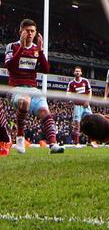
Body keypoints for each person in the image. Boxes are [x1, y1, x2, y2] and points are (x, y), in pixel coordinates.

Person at [3, 18, 64, 154]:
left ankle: (53, 144)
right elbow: (10, 66)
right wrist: (22, 48)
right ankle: (19, 138)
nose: (30, 34)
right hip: (15, 87)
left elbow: (46, 70)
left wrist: (41, 51)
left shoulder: (36, 49)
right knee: (25, 101)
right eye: (27, 31)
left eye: (32, 31)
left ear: (36, 33)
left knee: (44, 111)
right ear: (20, 31)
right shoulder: (12, 46)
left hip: (32, 88)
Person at [66, 66, 93, 146]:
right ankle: (77, 143)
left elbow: (89, 91)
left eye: (79, 71)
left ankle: (89, 141)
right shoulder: (71, 83)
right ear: (74, 73)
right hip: (77, 106)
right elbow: (68, 93)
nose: (77, 72)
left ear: (81, 73)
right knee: (77, 124)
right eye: (76, 71)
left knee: (90, 122)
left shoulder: (85, 81)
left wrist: (88, 101)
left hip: (86, 105)